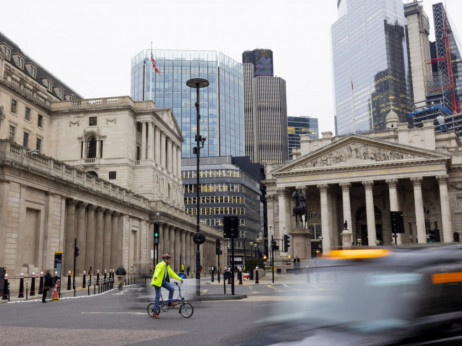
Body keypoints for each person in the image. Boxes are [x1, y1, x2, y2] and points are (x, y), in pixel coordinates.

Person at [151, 254, 183, 319]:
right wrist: (155, 276)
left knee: (172, 289)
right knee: (158, 296)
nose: (170, 261)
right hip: (157, 281)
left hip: (163, 281)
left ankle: (169, 303)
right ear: (166, 260)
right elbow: (157, 271)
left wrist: (180, 279)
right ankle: (155, 313)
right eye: (169, 259)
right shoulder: (160, 265)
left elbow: (172, 273)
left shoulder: (167, 266)